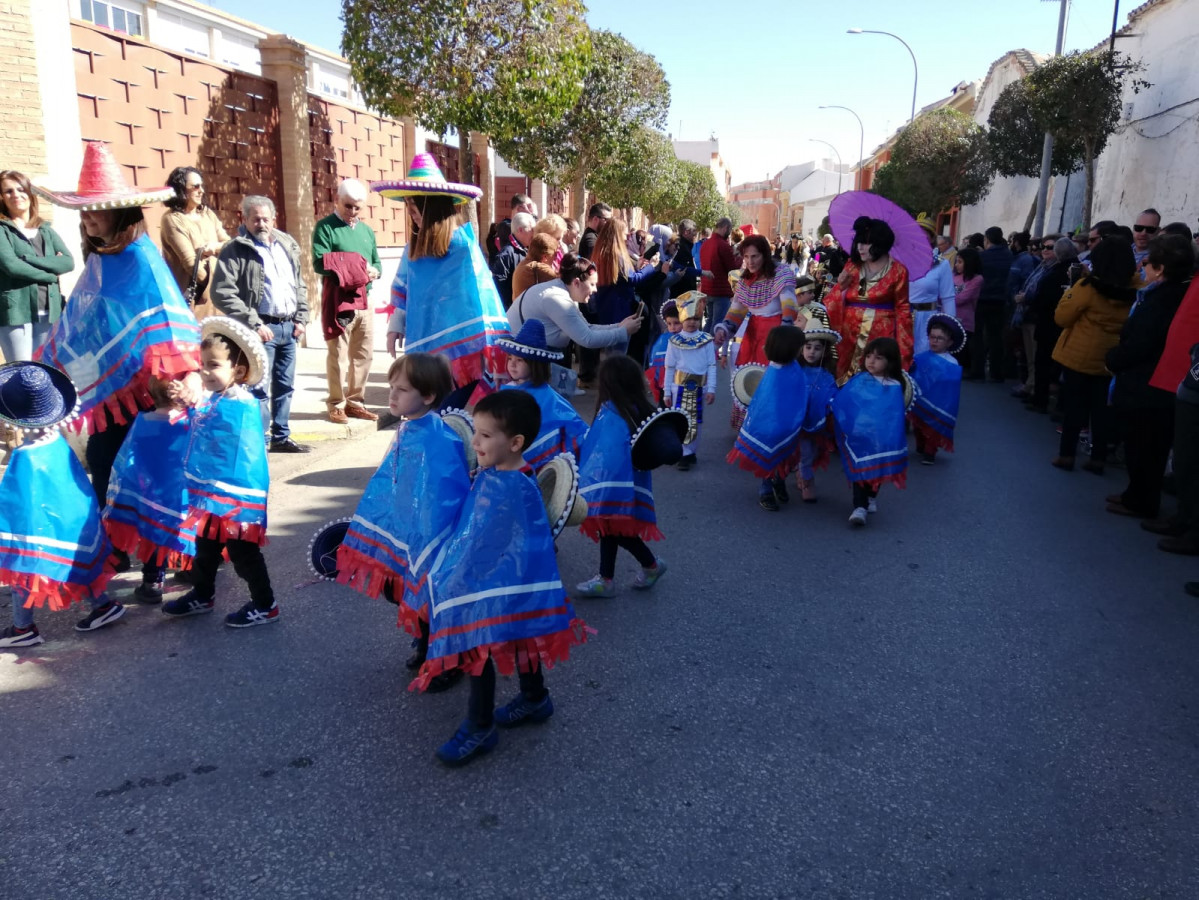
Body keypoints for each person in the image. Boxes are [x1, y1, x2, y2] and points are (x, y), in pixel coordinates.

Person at [36, 142, 202, 565]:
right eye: (84, 211)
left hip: (148, 386)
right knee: (102, 459)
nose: (88, 217)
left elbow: (167, 321)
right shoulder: (101, 259)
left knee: (142, 466)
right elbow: (84, 320)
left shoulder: (141, 258)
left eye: (97, 209)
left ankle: (164, 553)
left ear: (120, 212)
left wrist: (176, 379)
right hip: (112, 388)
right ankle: (117, 546)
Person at [415, 389, 588, 766]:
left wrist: (461, 577)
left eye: (485, 436)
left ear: (515, 443)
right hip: (499, 581)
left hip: (503, 583)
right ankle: (536, 698)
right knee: (520, 640)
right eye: (475, 432)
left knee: (482, 648)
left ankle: (480, 727)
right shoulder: (497, 473)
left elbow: (505, 543)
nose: (474, 442)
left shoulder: (517, 488)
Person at [335, 352, 472, 683]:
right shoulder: (407, 429)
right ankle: (426, 644)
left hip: (431, 536)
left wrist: (429, 532)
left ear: (427, 396)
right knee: (402, 590)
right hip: (406, 529)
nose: (392, 395)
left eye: (402, 389)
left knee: (430, 595)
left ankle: (450, 661)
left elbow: (447, 492)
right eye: (391, 386)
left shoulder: (441, 438)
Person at [0, 361, 124, 648]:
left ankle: (23, 628)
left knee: (22, 568)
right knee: (82, 565)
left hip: (42, 528)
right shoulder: (58, 442)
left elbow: (18, 503)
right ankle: (103, 606)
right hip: (75, 520)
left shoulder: (25, 456)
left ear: (13, 419)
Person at [162, 317, 275, 626]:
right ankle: (202, 592)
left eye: (213, 365)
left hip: (237, 494)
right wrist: (185, 403)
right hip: (213, 493)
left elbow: (225, 440)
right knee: (205, 546)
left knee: (243, 552)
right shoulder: (217, 399)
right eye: (202, 365)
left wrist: (192, 408)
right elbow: (202, 424)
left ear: (238, 371)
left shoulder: (243, 405)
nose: (205, 372)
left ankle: (266, 604)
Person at [378, 153, 509, 389]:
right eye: (407, 205)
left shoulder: (463, 247)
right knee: (430, 405)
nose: (410, 213)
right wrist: (396, 325)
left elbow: (480, 299)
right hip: (423, 340)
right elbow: (405, 290)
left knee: (448, 410)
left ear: (433, 207)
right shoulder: (414, 250)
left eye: (414, 206)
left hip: (463, 351)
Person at [1104, 234, 1195, 518]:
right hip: (1148, 380)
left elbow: (1145, 339)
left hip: (1148, 382)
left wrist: (1115, 359)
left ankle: (1143, 500)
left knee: (1145, 446)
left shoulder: (1165, 298)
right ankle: (1136, 493)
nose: (1143, 265)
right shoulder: (1171, 293)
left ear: (1162, 268)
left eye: (1149, 262)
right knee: (1142, 444)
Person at [211, 195, 310, 453]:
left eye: (266, 218)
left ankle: (281, 437)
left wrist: (302, 317)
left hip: (289, 327)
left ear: (273, 218)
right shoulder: (235, 249)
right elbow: (221, 292)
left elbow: (298, 284)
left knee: (285, 386)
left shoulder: (286, 244)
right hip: (260, 330)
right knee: (258, 388)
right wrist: (253, 322)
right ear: (243, 219)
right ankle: (260, 440)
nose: (261, 224)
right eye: (255, 219)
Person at [576, 355, 668, 597]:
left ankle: (650, 565)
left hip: (614, 485)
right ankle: (606, 578)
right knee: (610, 528)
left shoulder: (614, 413)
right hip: (627, 482)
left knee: (615, 530)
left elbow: (605, 452)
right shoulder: (634, 408)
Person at [103, 375, 195, 603]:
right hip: (180, 491)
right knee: (185, 529)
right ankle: (192, 569)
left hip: (151, 491)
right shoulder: (191, 420)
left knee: (153, 535)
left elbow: (131, 456)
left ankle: (153, 582)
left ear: (150, 395)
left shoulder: (144, 420)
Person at [1050, 235, 1137, 474]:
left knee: (1075, 408)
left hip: (1081, 354)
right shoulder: (1137, 288)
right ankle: (1098, 457)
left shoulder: (1088, 287)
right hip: (1113, 355)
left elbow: (1062, 317)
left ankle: (1067, 455)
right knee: (1102, 410)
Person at [715, 234, 803, 428]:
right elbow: (736, 312)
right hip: (752, 337)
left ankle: (769, 426)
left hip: (775, 337)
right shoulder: (745, 281)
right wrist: (724, 330)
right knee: (747, 380)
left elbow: (789, 307)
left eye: (754, 256)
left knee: (771, 381)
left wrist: (785, 338)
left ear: (764, 254)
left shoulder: (782, 274)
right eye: (746, 257)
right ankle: (749, 425)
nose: (750, 261)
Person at [312, 178, 381, 424]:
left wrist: (373, 271)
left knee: (363, 353)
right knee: (338, 353)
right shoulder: (326, 228)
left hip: (366, 298)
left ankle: (355, 402)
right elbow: (320, 262)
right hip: (339, 299)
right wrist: (357, 267)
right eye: (347, 205)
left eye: (357, 207)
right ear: (337, 200)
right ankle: (336, 403)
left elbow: (377, 262)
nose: (352, 211)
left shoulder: (366, 231)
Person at [727, 325, 808, 511]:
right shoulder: (776, 371)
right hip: (769, 426)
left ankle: (779, 480)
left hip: (788, 425)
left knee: (785, 456)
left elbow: (799, 394)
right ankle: (766, 489)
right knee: (769, 455)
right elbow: (766, 402)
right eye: (800, 347)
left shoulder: (794, 368)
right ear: (789, 348)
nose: (802, 350)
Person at [833, 337, 910, 527]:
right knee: (861, 472)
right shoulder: (859, 380)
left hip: (882, 438)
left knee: (877, 471)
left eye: (878, 358)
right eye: (869, 356)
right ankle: (859, 507)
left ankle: (871, 496)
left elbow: (895, 416)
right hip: (860, 435)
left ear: (890, 361)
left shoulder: (894, 386)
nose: (871, 361)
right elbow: (846, 402)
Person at [824, 217, 912, 382]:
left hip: (881, 333)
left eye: (865, 243)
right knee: (843, 375)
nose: (860, 247)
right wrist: (840, 286)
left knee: (875, 373)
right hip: (849, 331)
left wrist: (903, 348)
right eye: (858, 242)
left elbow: (903, 309)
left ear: (880, 243)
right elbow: (831, 300)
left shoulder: (899, 271)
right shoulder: (852, 266)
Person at [0, 170, 74, 363]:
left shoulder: (46, 230)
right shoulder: (2, 229)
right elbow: (11, 266)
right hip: (16, 312)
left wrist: (28, 259)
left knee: (47, 370)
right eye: (8, 191)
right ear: (2, 198)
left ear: (30, 194)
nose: (16, 195)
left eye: (20, 189)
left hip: (49, 310)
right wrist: (50, 274)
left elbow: (68, 262)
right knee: (22, 372)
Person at [507, 253, 640, 357]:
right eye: (592, 284)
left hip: (528, 353)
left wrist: (619, 326)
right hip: (519, 357)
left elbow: (587, 328)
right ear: (576, 283)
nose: (595, 290)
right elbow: (588, 339)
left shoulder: (564, 292)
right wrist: (623, 331)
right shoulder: (558, 299)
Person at [498, 319, 588, 471]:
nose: (512, 364)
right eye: (510, 358)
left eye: (519, 360)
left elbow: (572, 426)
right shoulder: (506, 389)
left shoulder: (547, 397)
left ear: (535, 365)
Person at [159, 166, 229, 317]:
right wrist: (217, 287)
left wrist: (215, 247)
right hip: (197, 301)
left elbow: (230, 245)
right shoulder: (172, 219)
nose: (201, 190)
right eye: (195, 186)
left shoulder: (207, 214)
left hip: (221, 296)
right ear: (181, 190)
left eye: (202, 185)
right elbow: (191, 263)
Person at [592, 217, 670, 348]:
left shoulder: (602, 252)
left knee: (610, 352)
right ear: (617, 234)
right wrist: (651, 266)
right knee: (618, 352)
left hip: (605, 307)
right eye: (625, 233)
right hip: (619, 309)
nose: (628, 237)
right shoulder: (616, 254)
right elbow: (633, 279)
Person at [663, 292, 716, 471]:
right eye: (688, 318)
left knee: (697, 421)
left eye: (695, 318)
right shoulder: (674, 341)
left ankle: (691, 452)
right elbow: (669, 368)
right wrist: (667, 391)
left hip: (700, 387)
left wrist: (712, 389)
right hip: (678, 387)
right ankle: (684, 452)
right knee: (682, 420)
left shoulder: (706, 341)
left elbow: (711, 365)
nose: (692, 322)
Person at [1025, 237, 1078, 414]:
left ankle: (1040, 399)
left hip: (1050, 325)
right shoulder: (1079, 271)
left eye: (1049, 248)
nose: (1044, 251)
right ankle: (1060, 405)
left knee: (1044, 364)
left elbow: (1041, 300)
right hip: (1068, 327)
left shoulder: (1054, 274)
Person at [909, 314, 966, 465]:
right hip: (921, 400)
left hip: (940, 404)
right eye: (932, 337)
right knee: (918, 425)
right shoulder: (920, 357)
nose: (934, 340)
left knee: (933, 427)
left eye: (939, 338)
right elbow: (914, 377)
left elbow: (950, 388)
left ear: (949, 342)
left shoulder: (952, 363)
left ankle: (930, 452)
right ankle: (921, 446)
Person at [1011, 234, 1061, 400]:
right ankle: (1030, 384)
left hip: (1038, 317)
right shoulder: (1042, 266)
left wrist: (1026, 298)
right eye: (1043, 247)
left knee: (1036, 355)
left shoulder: (1056, 269)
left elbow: (1044, 293)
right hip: (1027, 313)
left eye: (1050, 247)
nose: (1044, 250)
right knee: (1029, 354)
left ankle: (1034, 387)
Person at [794, 322, 839, 503]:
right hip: (799, 421)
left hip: (819, 422)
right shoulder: (796, 371)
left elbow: (832, 393)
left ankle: (801, 470)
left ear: (824, 351)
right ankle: (808, 481)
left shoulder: (827, 374)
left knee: (813, 452)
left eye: (817, 348)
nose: (812, 352)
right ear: (801, 348)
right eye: (808, 347)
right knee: (805, 452)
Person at [970, 226, 1014, 382]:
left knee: (979, 336)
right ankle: (996, 372)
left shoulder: (983, 257)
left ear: (987, 239)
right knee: (996, 337)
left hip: (983, 298)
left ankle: (978, 370)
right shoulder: (1009, 256)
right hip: (1001, 300)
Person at [910, 216, 957, 356]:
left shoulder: (941, 265)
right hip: (902, 318)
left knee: (924, 358)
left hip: (927, 320)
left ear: (930, 238)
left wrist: (948, 328)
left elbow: (948, 298)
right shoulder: (901, 262)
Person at [700, 218, 739, 333]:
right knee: (718, 323)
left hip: (707, 288)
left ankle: (703, 346)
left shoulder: (705, 244)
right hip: (720, 291)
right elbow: (732, 269)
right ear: (726, 228)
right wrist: (739, 257)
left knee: (710, 320)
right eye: (730, 230)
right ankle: (712, 349)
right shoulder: (723, 245)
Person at [491, 211, 534, 309]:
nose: (533, 233)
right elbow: (499, 286)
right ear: (520, 230)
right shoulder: (506, 254)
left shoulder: (526, 250)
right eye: (531, 229)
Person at [953, 247, 983, 375]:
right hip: (948, 317)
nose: (956, 265)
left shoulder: (977, 279)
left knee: (959, 354)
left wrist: (946, 297)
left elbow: (962, 298)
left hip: (964, 322)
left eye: (960, 262)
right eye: (956, 261)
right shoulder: (953, 276)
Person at [645, 298, 680, 405]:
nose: (672, 327)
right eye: (669, 324)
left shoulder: (688, 339)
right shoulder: (662, 340)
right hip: (664, 384)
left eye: (676, 323)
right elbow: (654, 359)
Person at [512, 233, 559, 301]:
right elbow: (564, 284)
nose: (555, 258)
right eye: (555, 254)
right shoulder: (538, 268)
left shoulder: (523, 264)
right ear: (545, 257)